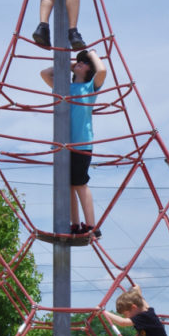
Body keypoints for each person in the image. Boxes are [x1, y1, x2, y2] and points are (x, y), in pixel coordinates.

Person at [40, 49, 106, 235]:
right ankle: (75, 224)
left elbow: (102, 71)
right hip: (61, 144)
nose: (80, 63)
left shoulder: (90, 87)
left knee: (80, 183)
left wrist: (91, 54)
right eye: (79, 61)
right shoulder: (63, 87)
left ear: (89, 70)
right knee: (67, 185)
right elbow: (45, 74)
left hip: (81, 143)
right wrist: (69, 65)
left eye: (84, 63)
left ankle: (92, 225)